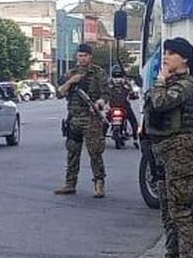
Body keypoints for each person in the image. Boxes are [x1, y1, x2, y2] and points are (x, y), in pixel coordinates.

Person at [141, 38, 193, 258]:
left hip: (180, 150)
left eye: (172, 54)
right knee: (168, 210)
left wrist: (159, 80)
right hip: (162, 149)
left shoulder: (186, 85)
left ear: (185, 59)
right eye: (165, 53)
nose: (166, 57)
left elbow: (159, 102)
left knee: (181, 211)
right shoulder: (169, 83)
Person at [54, 43, 108, 197]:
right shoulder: (71, 73)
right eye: (79, 56)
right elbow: (59, 93)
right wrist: (71, 81)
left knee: (95, 152)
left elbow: (106, 93)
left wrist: (99, 103)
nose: (82, 59)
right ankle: (70, 183)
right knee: (72, 151)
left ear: (90, 56)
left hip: (91, 118)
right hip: (74, 118)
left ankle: (99, 183)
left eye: (85, 56)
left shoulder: (98, 73)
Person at [106, 66, 139, 140]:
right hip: (123, 106)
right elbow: (132, 93)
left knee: (105, 122)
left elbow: (132, 93)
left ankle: (101, 138)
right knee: (133, 121)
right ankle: (135, 138)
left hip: (114, 106)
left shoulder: (109, 82)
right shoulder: (126, 82)